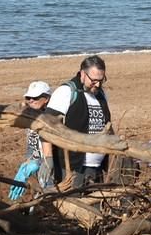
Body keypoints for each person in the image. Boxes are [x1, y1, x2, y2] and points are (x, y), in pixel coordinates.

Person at [39, 55, 111, 190]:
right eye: (94, 80)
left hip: (96, 167)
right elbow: (46, 126)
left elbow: (107, 126)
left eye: (102, 80)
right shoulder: (66, 92)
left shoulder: (101, 94)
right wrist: (47, 159)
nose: (98, 85)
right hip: (72, 167)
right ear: (83, 74)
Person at [9, 81, 52, 200]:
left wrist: (38, 163)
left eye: (36, 97)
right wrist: (27, 163)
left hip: (50, 168)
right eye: (29, 97)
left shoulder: (51, 119)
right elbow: (31, 146)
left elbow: (54, 151)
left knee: (50, 198)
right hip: (36, 169)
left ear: (47, 98)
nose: (31, 100)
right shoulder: (30, 118)